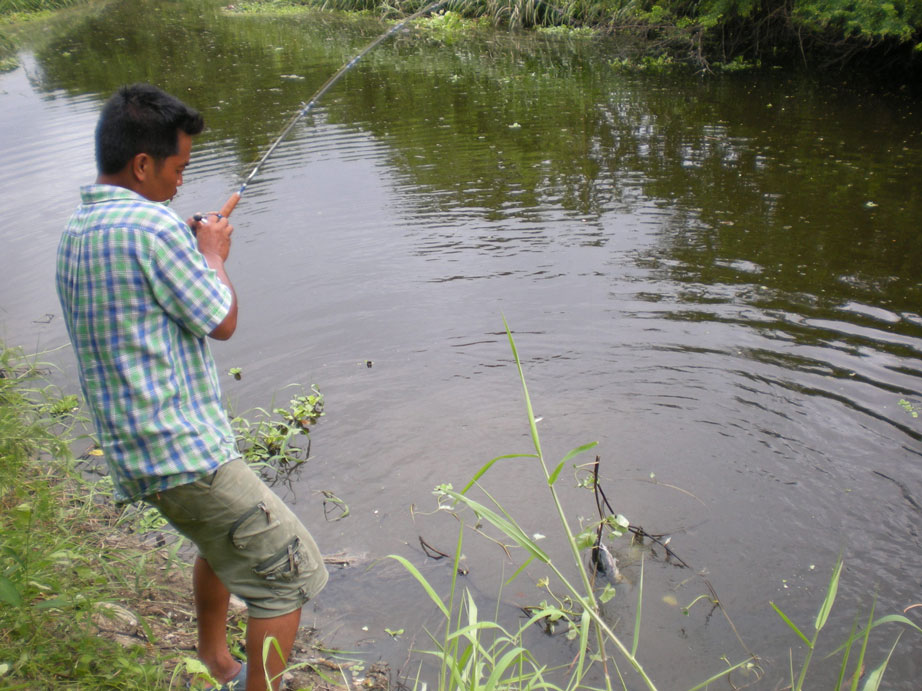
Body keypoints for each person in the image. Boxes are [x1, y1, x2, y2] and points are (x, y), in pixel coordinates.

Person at [56, 83, 328, 691]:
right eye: (178, 167)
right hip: (182, 453)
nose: (182, 181)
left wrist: (187, 242)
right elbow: (222, 319)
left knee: (224, 542)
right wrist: (213, 251)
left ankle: (217, 661)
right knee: (289, 570)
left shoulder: (82, 227)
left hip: (137, 450)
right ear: (143, 163)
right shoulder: (153, 230)